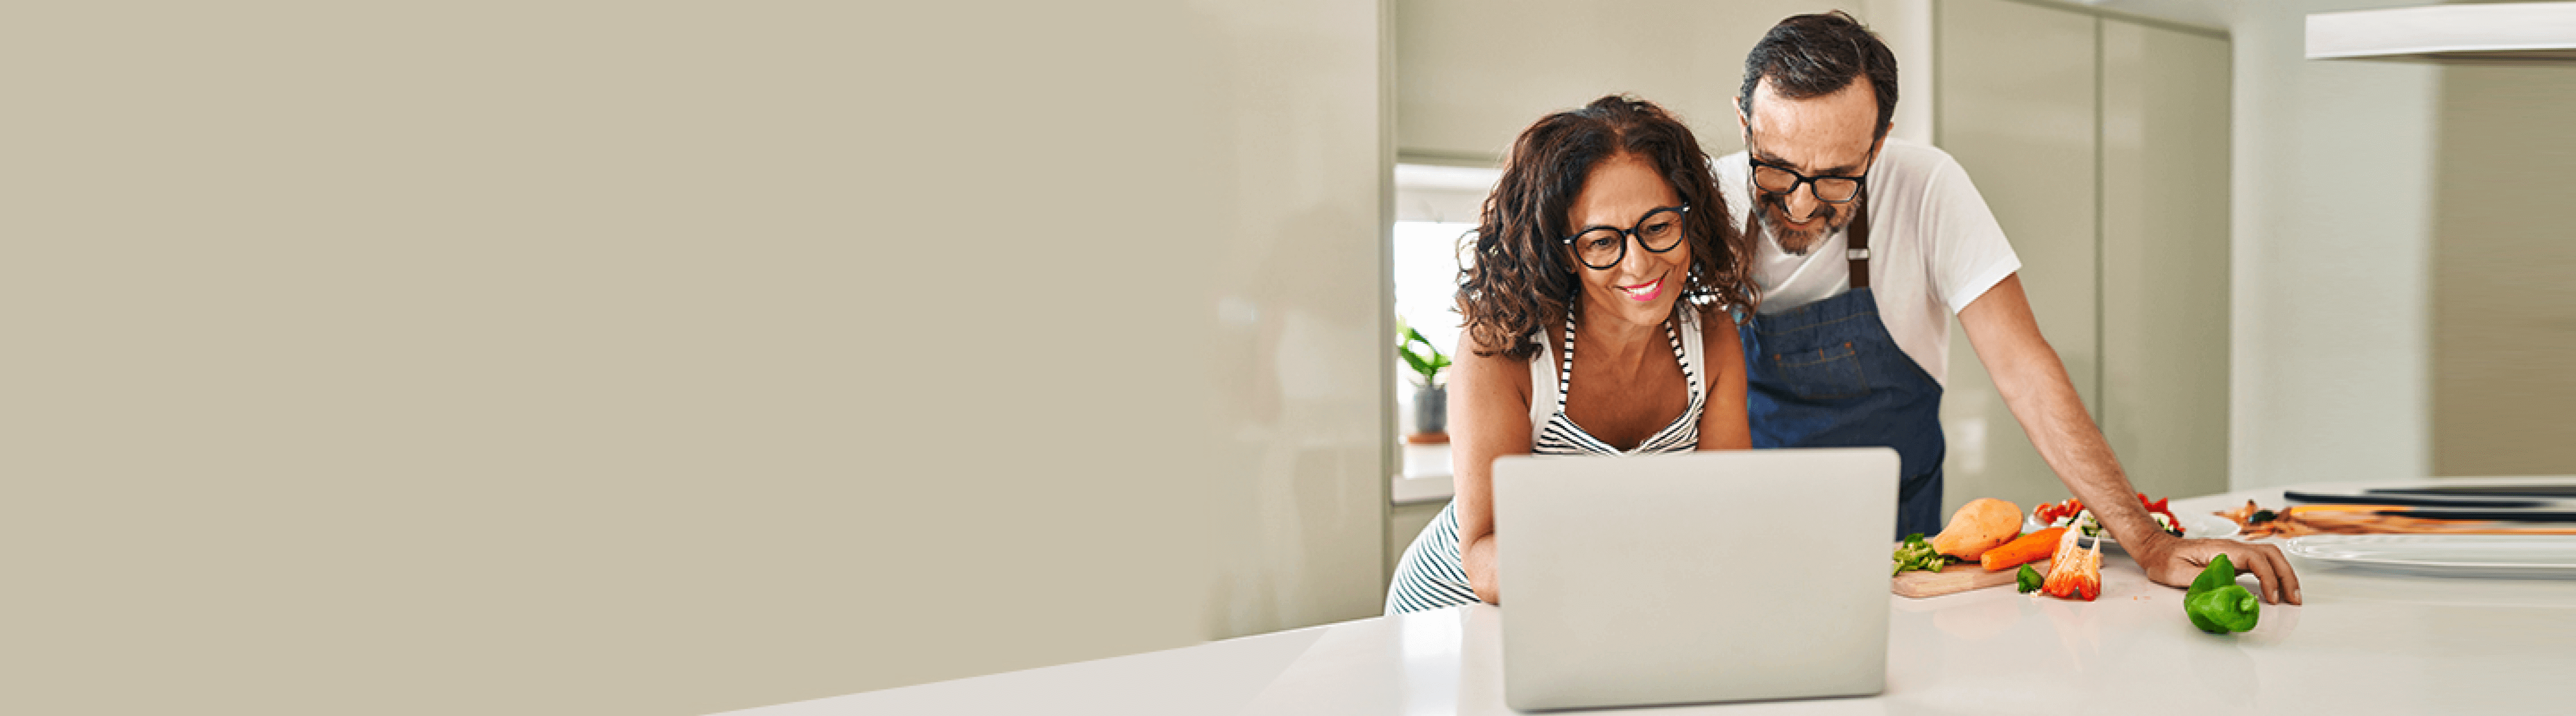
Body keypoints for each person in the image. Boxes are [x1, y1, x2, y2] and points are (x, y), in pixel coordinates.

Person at [1721, 12, 2300, 604]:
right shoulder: (1704, 204)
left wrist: (2148, 542)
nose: (1799, 203)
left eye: (1838, 177)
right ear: (1745, 124)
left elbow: (2024, 371)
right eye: (1776, 168)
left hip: (1902, 543)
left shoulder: (1927, 188)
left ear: (1880, 143)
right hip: (1742, 531)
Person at [1385, 96, 1757, 614]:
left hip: (1601, 609)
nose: (1639, 263)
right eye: (1603, 241)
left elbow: (1727, 515)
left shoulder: (1710, 339)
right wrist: (1646, 567)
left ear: (1689, 222)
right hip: (1454, 612)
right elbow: (1485, 556)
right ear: (1562, 250)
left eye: (1658, 228)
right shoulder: (1503, 350)